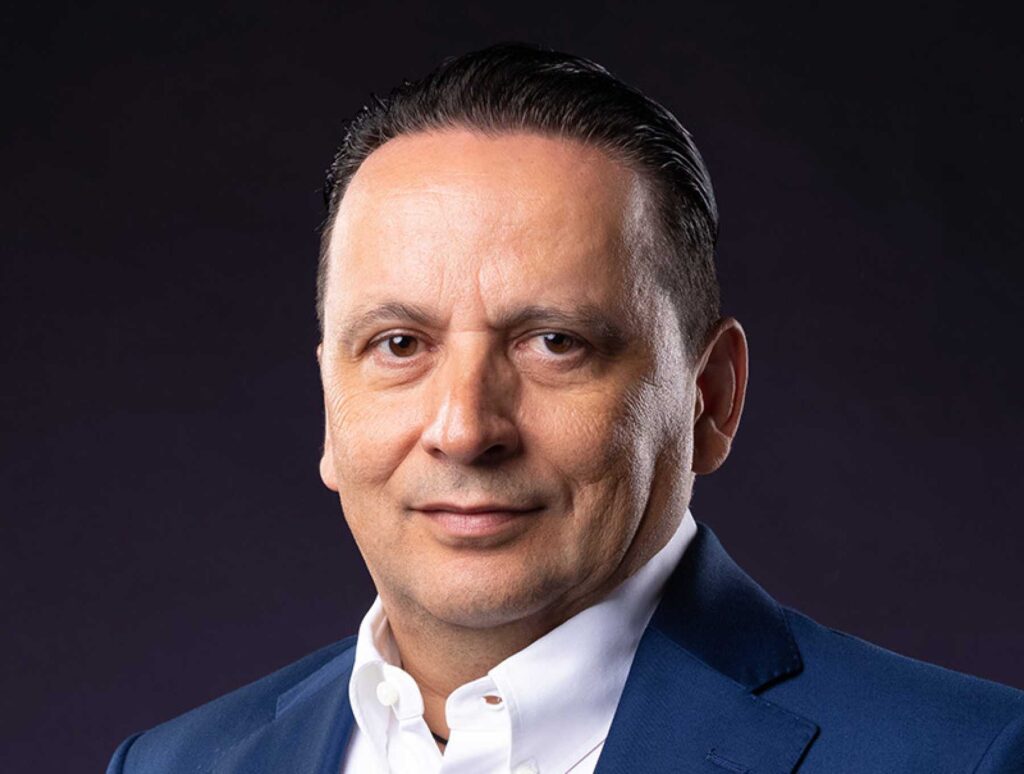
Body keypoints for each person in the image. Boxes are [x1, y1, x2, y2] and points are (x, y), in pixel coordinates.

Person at [106, 43, 1024, 774]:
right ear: (328, 403)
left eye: (554, 342)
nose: (464, 429)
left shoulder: (967, 758)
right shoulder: (173, 764)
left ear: (709, 399)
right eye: (399, 345)